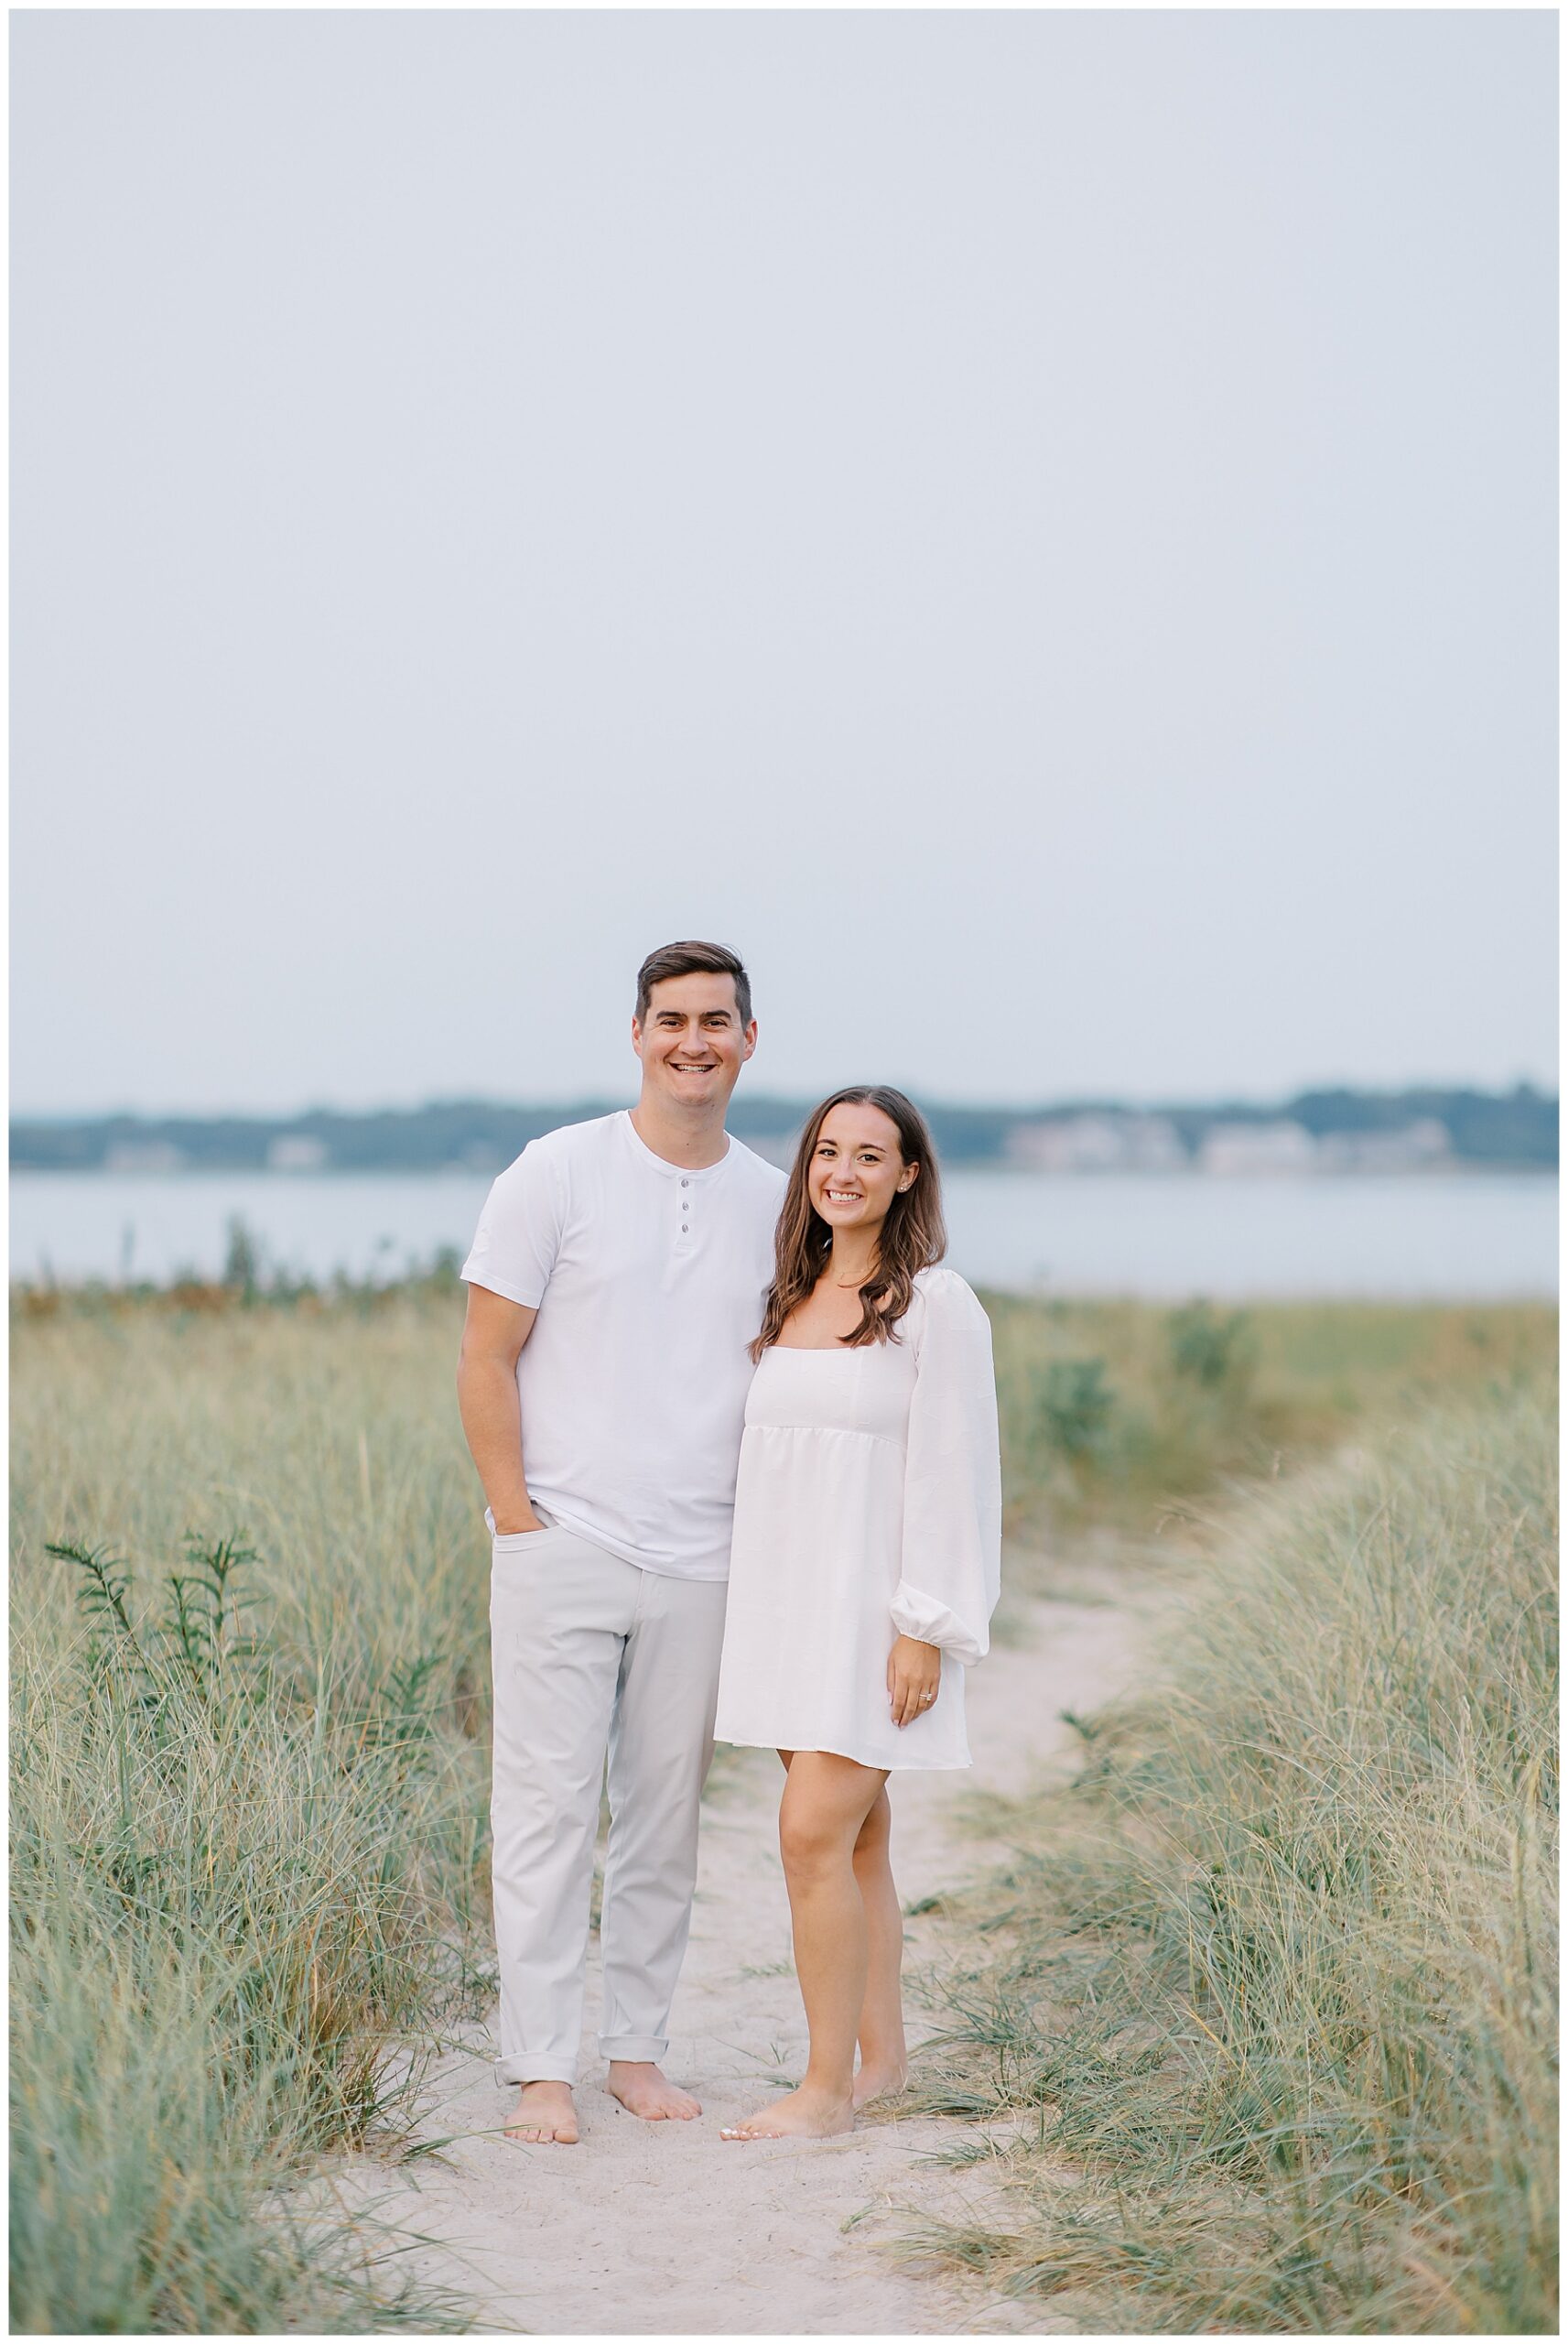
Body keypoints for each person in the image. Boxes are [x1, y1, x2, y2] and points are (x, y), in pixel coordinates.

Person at [456, 939, 785, 2146]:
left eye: (715, 1021)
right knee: (546, 1811)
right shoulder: (555, 1171)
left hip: (704, 1555)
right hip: (566, 1538)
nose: (693, 1041)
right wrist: (517, 1520)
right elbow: (485, 1355)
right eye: (672, 1020)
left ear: (749, 1040)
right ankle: (541, 2069)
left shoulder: (775, 1200)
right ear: (638, 1035)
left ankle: (635, 2051)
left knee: (664, 1816)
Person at [713, 1085, 1001, 2142]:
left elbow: (955, 1473)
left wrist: (924, 1623)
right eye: (827, 1151)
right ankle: (885, 2066)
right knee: (860, 1841)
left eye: (870, 1155)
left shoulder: (935, 1305)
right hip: (787, 1612)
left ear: (908, 1174)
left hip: (874, 1625)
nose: (843, 1171)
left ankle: (824, 2092)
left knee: (808, 1838)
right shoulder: (783, 1299)